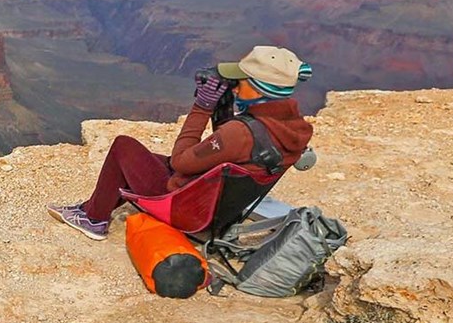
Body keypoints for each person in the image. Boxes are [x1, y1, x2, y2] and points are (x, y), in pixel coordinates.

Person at [47, 45, 315, 240]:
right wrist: (226, 108)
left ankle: (93, 219)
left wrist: (202, 107)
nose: (234, 86)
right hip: (220, 207)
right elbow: (233, 149)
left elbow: (181, 162)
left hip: (189, 210)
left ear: (257, 89)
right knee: (144, 159)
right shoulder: (294, 128)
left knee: (124, 147)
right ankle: (90, 207)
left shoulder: (239, 134)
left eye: (241, 82)